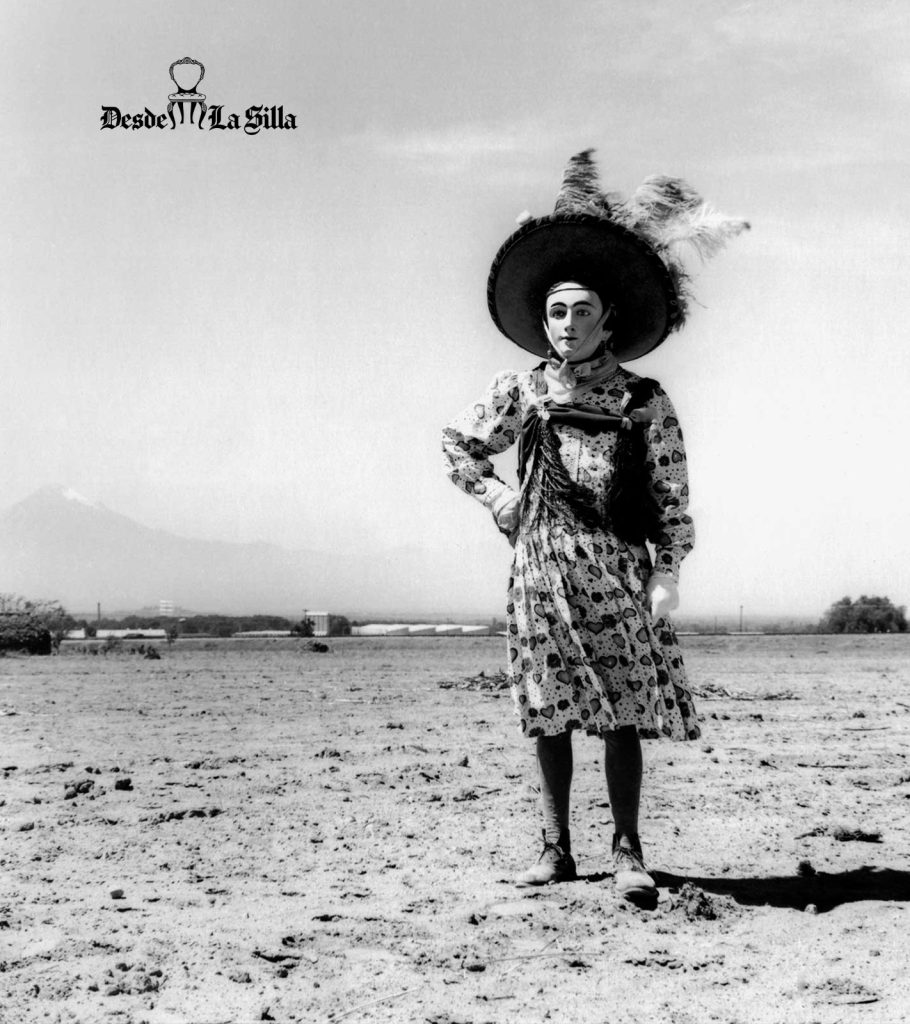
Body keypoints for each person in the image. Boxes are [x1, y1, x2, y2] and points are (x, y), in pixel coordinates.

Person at [442, 150, 747, 902]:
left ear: (609, 318)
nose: (569, 325)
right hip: (539, 571)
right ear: (541, 320)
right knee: (547, 711)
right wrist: (499, 499)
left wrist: (668, 569)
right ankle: (556, 850)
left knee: (621, 713)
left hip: (616, 573)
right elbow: (458, 445)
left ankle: (628, 851)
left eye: (583, 311)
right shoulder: (519, 391)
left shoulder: (644, 400)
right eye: (557, 312)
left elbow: (671, 494)